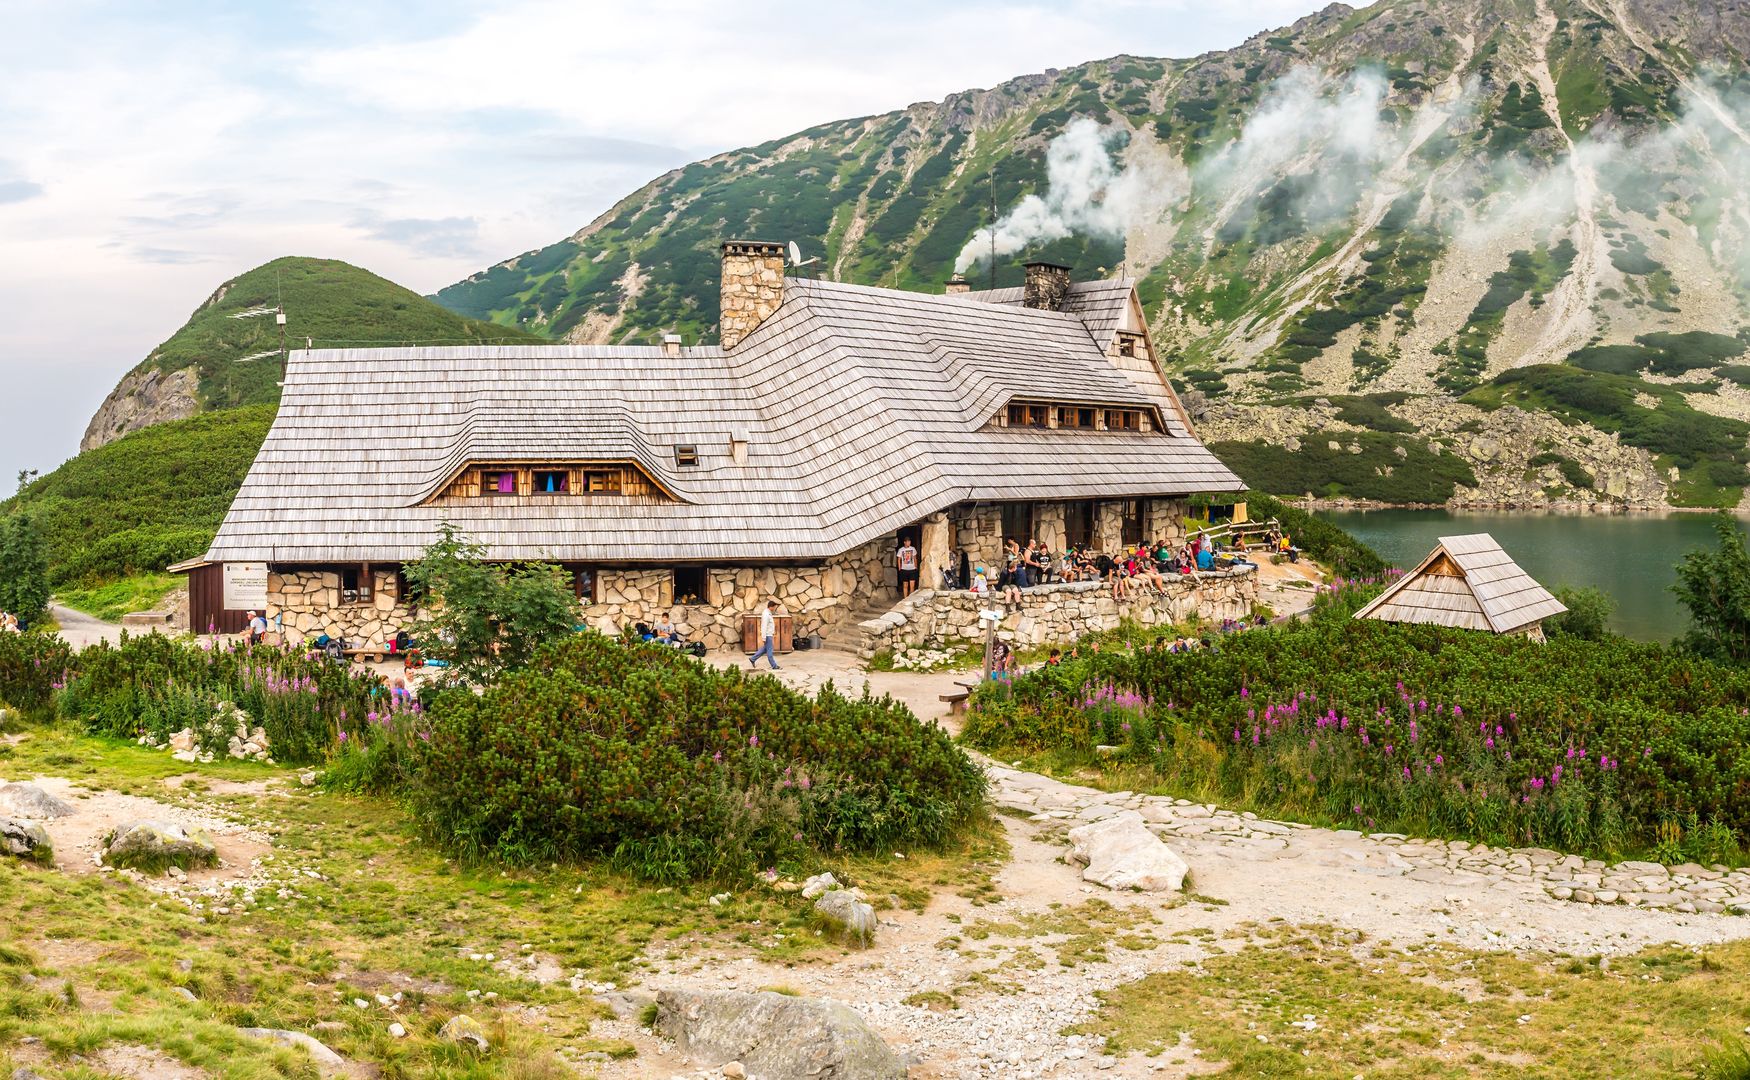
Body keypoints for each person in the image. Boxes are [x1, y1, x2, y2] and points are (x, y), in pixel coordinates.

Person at [749, 600, 781, 671]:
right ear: (771, 607)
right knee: (769, 652)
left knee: (764, 649)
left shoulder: (768, 613)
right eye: (774, 607)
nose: (775, 608)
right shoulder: (766, 614)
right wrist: (763, 638)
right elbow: (764, 626)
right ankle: (774, 665)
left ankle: (752, 659)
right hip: (767, 635)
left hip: (769, 635)